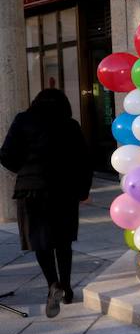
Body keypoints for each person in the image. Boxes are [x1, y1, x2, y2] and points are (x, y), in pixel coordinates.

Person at [0, 89, 92, 318]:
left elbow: (6, 155)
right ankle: (67, 287)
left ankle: (53, 283)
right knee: (63, 241)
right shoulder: (70, 125)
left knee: (40, 240)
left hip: (30, 190)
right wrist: (83, 191)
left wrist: (24, 168)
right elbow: (84, 160)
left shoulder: (23, 120)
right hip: (64, 190)